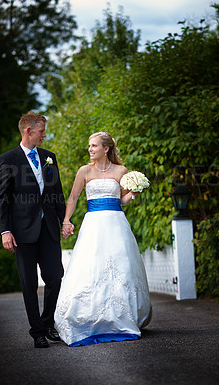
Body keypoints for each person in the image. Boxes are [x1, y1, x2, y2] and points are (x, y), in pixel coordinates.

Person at [54, 131, 152, 347]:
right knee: (91, 266)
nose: (90, 150)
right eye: (89, 146)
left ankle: (122, 316)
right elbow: (73, 197)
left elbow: (123, 200)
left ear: (106, 149)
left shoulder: (121, 170)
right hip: (93, 225)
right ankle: (88, 317)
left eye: (94, 146)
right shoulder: (84, 171)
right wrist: (66, 220)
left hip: (116, 223)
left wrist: (134, 191)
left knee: (120, 266)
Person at [0, 112, 65, 348]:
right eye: (41, 131)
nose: (44, 135)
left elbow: (57, 192)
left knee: (55, 277)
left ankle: (47, 323)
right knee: (28, 282)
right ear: (28, 131)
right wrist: (5, 230)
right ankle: (37, 331)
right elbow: (2, 198)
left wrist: (64, 220)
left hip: (49, 229)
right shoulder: (9, 159)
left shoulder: (49, 157)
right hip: (22, 231)